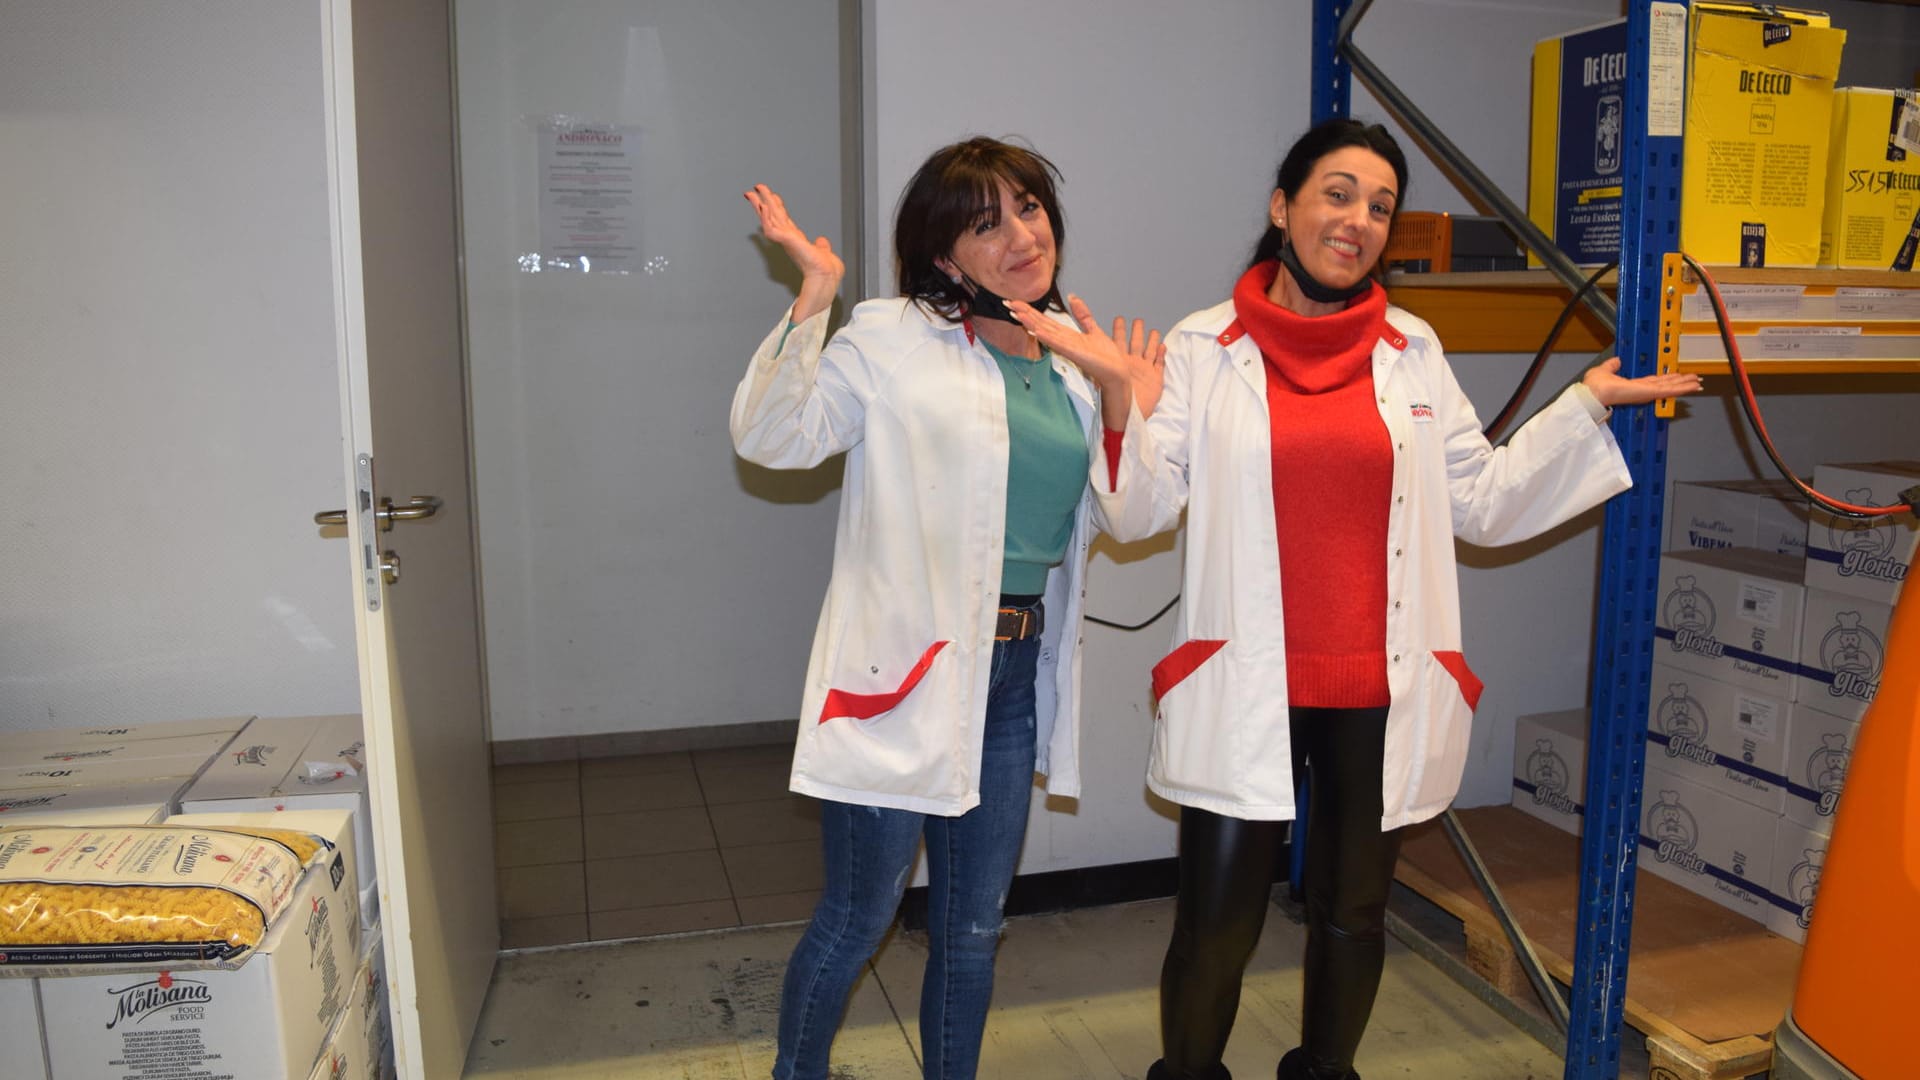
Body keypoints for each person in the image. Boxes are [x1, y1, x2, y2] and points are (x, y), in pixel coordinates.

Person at [1012, 117, 1702, 1080]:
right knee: (1216, 926)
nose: (1359, 220)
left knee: (1353, 914)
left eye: (1380, 205)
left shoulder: (1412, 348)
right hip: (1245, 680)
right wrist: (1125, 403)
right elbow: (1137, 515)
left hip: (1378, 691)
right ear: (1283, 207)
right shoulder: (1202, 348)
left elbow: (1484, 501)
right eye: (1338, 194)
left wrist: (1582, 408)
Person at [732, 137, 1163, 1080]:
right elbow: (772, 437)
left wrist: (1128, 399)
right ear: (942, 255)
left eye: (1031, 208)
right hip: (907, 676)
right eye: (986, 223)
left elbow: (1131, 515)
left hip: (1010, 682)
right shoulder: (891, 338)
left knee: (972, 930)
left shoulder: (1071, 362)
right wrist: (814, 295)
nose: (1021, 234)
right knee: (857, 920)